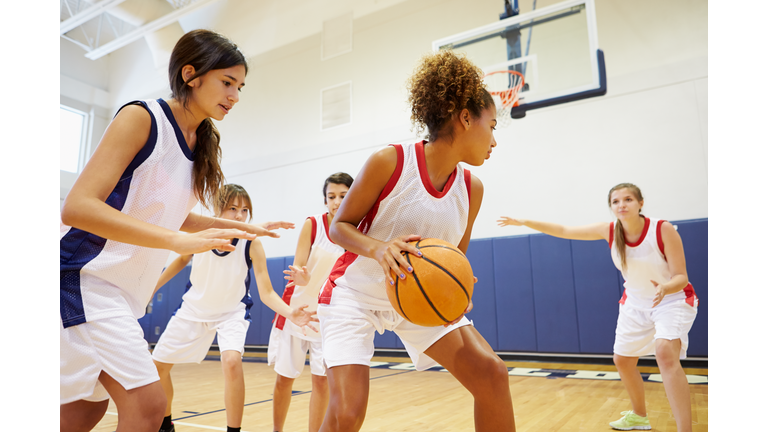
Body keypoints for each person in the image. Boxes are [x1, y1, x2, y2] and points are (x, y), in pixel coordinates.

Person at [60, 29, 293, 432]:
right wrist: (173, 241)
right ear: (191, 74)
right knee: (149, 408)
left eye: (240, 86)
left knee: (82, 412)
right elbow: (78, 207)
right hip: (84, 279)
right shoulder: (142, 117)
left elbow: (174, 216)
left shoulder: (199, 141)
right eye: (227, 82)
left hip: (118, 292)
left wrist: (238, 226)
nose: (235, 95)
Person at [316, 50, 515, 432]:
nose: (494, 140)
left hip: (415, 296)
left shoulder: (472, 189)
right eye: (492, 126)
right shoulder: (390, 161)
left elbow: (455, 256)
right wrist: (379, 248)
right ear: (465, 118)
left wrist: (458, 286)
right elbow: (339, 227)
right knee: (346, 414)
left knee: (491, 374)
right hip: (355, 294)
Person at [498, 182, 698, 432]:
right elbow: (564, 229)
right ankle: (638, 416)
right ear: (611, 206)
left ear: (640, 203)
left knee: (665, 355)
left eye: (628, 200)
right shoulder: (609, 231)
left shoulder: (662, 229)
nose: (622, 205)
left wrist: (665, 288)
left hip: (671, 299)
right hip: (635, 304)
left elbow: (681, 276)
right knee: (623, 360)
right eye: (616, 201)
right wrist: (525, 221)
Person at [152, 184, 317, 432]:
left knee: (231, 361)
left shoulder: (252, 244)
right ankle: (166, 425)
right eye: (232, 208)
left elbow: (267, 292)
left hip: (232, 312)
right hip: (194, 309)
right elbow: (180, 260)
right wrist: (152, 288)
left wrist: (290, 312)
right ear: (218, 209)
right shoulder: (202, 234)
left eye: (244, 210)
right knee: (158, 367)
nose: (239, 216)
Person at [267, 172, 354, 432]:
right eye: (331, 196)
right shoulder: (313, 224)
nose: (336, 202)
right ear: (325, 199)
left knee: (321, 382)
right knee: (284, 379)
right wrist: (302, 276)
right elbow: (299, 272)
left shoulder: (356, 231)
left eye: (343, 196)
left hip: (327, 317)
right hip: (297, 310)